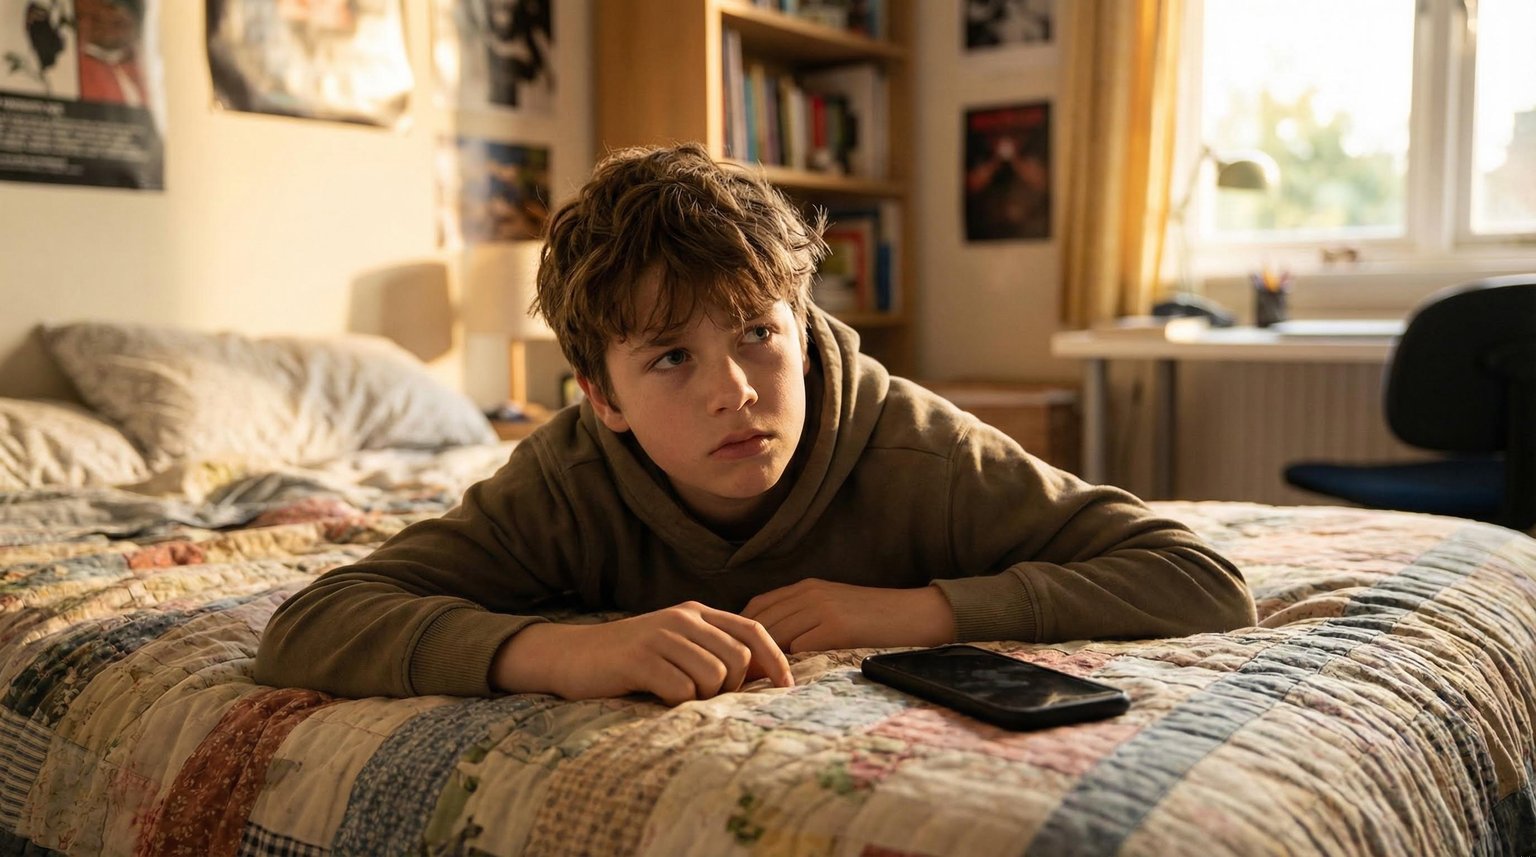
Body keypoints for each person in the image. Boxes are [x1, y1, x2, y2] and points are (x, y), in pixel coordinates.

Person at [255, 143, 1256, 704]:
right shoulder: (566, 480)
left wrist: (914, 610)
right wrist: (566, 652)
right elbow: (311, 622)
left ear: (798, 316)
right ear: (599, 397)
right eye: (669, 355)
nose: (734, 388)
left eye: (756, 333)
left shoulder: (916, 446)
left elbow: (1200, 576)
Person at [74, 0, 146, 106]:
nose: (107, 18)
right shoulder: (80, 66)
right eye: (97, 20)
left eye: (117, 24)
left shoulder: (141, 69)